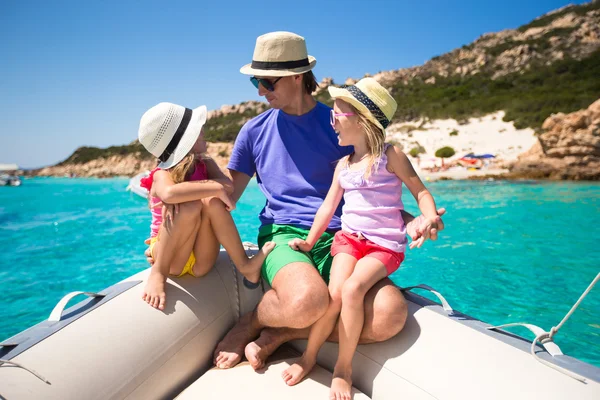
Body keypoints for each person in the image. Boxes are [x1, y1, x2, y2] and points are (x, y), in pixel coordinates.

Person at [213, 31, 446, 372]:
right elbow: (226, 199)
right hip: (284, 236)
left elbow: (374, 189)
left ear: (296, 77)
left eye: (266, 82)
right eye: (257, 84)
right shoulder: (253, 131)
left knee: (391, 315)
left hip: (347, 239)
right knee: (308, 299)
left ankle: (279, 334)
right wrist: (180, 195)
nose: (261, 91)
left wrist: (411, 218)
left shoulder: (342, 124)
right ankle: (252, 321)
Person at [280, 78, 439, 398]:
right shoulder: (343, 165)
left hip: (383, 246)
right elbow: (328, 208)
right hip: (349, 239)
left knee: (353, 289)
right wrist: (310, 242)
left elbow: (419, 191)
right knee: (335, 293)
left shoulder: (391, 156)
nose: (332, 122)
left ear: (362, 120)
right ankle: (308, 357)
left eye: (336, 115)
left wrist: (430, 215)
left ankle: (343, 369)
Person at [137, 102, 275, 310]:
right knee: (190, 206)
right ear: (186, 140)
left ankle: (245, 266)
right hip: (171, 257)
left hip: (201, 260)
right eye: (197, 129)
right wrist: (212, 188)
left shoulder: (205, 163)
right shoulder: (162, 174)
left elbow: (227, 185)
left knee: (211, 202)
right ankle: (158, 273)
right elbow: (168, 193)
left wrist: (214, 190)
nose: (203, 131)